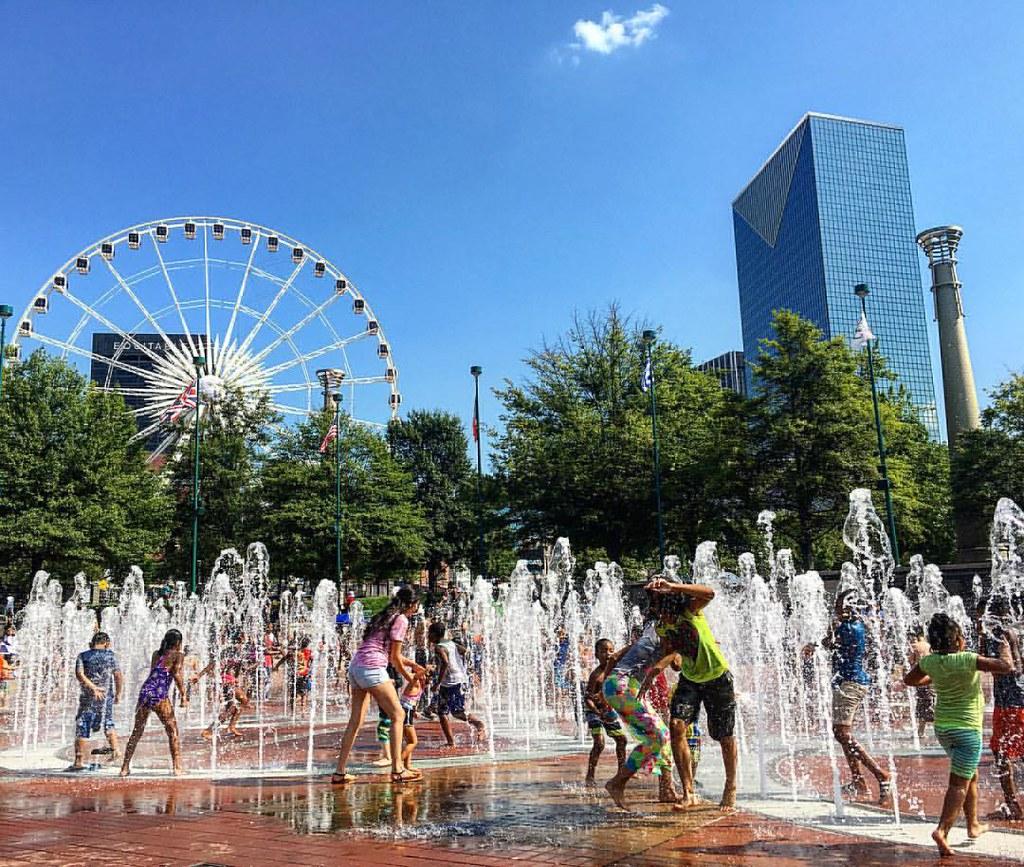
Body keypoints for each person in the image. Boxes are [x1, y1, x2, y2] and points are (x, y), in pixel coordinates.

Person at [904, 611, 1016, 857]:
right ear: (957, 640)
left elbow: (909, 680)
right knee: (958, 785)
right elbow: (1006, 667)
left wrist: (936, 679)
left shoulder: (930, 662)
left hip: (944, 729)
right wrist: (1006, 644)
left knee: (970, 775)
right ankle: (942, 830)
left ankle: (973, 825)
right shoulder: (968, 659)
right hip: (966, 731)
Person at [644, 577, 737, 811]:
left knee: (724, 736)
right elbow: (674, 659)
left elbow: (709, 593)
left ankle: (730, 786)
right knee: (676, 726)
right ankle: (689, 792)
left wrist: (673, 586)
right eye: (653, 606)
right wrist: (658, 667)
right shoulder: (662, 627)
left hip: (717, 677)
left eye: (659, 605)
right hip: (690, 680)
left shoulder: (691, 610)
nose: (656, 611)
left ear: (670, 602)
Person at [332, 586, 426, 785]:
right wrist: (412, 679)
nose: (417, 607)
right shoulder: (401, 619)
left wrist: (412, 665)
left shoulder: (384, 616)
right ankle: (398, 769)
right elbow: (394, 658)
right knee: (398, 715)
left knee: (355, 721)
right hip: (372, 669)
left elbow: (389, 654)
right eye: (417, 604)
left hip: (356, 668)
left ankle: (339, 772)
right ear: (411, 604)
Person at [601, 620, 682, 810]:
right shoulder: (664, 635)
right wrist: (683, 649)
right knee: (659, 736)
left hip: (619, 686)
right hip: (624, 688)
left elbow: (614, 659)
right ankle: (617, 783)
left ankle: (666, 788)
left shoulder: (648, 635)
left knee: (663, 735)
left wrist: (605, 689)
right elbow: (677, 665)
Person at [824, 588, 890, 804]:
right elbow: (830, 643)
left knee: (842, 734)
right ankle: (858, 780)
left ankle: (879, 774)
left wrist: (841, 598)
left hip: (850, 684)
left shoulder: (848, 628)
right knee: (842, 733)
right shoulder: (856, 627)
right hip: (851, 682)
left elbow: (829, 637)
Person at [120, 629, 188, 777]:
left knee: (137, 731)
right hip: (159, 693)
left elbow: (155, 672)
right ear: (178, 643)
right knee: (172, 730)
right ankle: (177, 767)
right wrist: (184, 694)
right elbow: (176, 674)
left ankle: (124, 767)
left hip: (145, 691)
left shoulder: (156, 654)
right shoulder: (178, 655)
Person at [983, 594, 1024, 821]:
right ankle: (1012, 804)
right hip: (1015, 698)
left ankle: (1012, 805)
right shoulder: (1014, 632)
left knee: (1001, 753)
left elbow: (1011, 667)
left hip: (1009, 701)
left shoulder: (1000, 635)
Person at [69, 631, 122, 770]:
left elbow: (79, 674)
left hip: (88, 696)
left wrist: (93, 688)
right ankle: (116, 750)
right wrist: (118, 694)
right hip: (106, 696)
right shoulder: (111, 656)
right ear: (107, 643)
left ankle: (78, 761)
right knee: (107, 722)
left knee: (82, 724)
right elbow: (118, 675)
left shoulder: (83, 656)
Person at [428, 622, 486, 747]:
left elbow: (445, 662)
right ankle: (450, 742)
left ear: (434, 634)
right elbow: (465, 652)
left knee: (456, 712)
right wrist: (465, 668)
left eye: (429, 633)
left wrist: (437, 682)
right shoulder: (451, 643)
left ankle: (479, 725)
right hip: (456, 680)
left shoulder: (438, 647)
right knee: (442, 712)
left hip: (452, 682)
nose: (428, 636)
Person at [584, 638, 627, 786]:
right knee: (599, 743)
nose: (608, 654)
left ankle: (622, 771)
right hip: (594, 711)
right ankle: (590, 774)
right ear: (596, 654)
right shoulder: (596, 675)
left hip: (607, 709)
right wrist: (596, 711)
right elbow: (587, 699)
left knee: (622, 740)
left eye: (610, 650)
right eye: (603, 651)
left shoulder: (615, 671)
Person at [908, 624, 936, 741]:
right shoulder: (929, 646)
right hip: (931, 678)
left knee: (923, 705)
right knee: (931, 703)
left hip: (920, 679)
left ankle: (921, 731)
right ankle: (938, 731)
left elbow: (910, 662)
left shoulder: (914, 647)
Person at [399, 667, 428, 774]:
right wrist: (426, 669)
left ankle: (407, 765)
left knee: (408, 742)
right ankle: (398, 765)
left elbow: (411, 700)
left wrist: (415, 712)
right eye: (424, 674)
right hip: (405, 713)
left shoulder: (420, 686)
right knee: (413, 741)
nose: (425, 676)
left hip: (408, 712)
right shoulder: (414, 682)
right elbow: (416, 676)